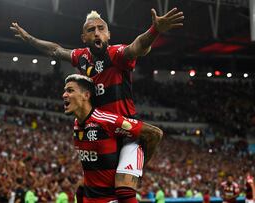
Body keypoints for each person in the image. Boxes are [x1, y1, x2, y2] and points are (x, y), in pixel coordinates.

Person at [10, 7, 183, 201]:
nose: (97, 32)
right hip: (99, 130)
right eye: (91, 30)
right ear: (83, 37)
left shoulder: (115, 54)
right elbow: (55, 50)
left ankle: (134, 173)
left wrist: (155, 30)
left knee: (124, 190)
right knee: (84, 189)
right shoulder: (82, 57)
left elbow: (137, 47)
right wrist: (29, 39)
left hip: (125, 132)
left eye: (101, 28)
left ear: (109, 34)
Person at [62, 74, 162, 203]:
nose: (64, 95)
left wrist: (139, 168)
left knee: (125, 192)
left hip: (111, 199)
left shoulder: (106, 121)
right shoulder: (76, 125)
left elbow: (155, 134)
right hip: (89, 198)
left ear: (86, 96)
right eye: (65, 91)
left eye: (70, 90)